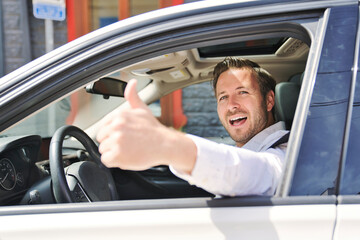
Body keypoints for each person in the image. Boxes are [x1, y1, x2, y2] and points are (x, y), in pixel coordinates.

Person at [96, 57, 289, 197]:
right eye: (223, 97)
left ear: (269, 100)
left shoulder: (288, 150)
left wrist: (166, 145)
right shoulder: (254, 148)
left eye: (243, 92)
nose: (231, 105)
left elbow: (254, 172)